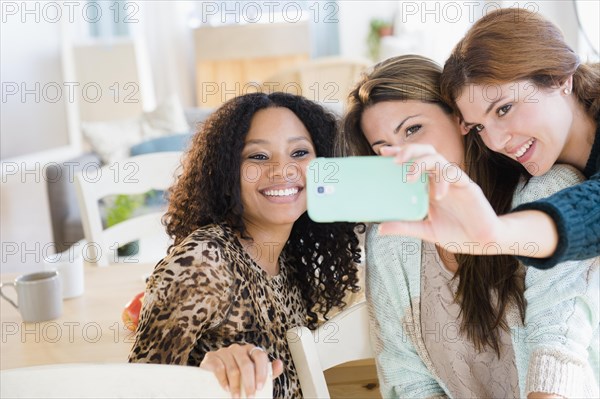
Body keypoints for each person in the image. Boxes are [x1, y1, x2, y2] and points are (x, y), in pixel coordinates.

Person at [340, 54, 599, 398]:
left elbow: (557, 348)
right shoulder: (391, 240)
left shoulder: (544, 194)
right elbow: (408, 380)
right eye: (384, 148)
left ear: (460, 120)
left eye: (413, 129)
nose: (403, 156)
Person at [128, 92, 362, 399]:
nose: (282, 170)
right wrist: (203, 375)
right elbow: (139, 386)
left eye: (300, 152)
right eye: (258, 156)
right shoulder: (204, 261)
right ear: (227, 172)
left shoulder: (290, 258)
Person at [378, 8, 600, 270]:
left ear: (560, 78)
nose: (495, 142)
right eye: (479, 126)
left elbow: (592, 209)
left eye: (504, 109)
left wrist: (498, 233)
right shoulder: (503, 164)